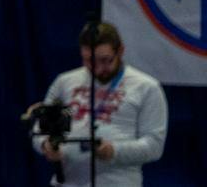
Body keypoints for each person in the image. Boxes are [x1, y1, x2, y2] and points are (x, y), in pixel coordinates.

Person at [31, 20, 167, 186]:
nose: (97, 68)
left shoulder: (146, 87)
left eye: (105, 60)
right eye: (89, 61)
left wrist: (114, 151)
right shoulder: (65, 82)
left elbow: (154, 146)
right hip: (67, 182)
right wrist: (46, 145)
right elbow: (41, 130)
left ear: (120, 51)